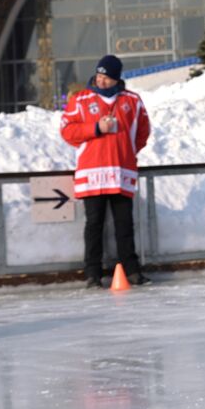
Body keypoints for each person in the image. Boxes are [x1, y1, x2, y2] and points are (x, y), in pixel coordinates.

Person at [60, 54, 152, 288]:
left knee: (124, 224)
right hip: (92, 174)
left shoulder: (132, 101)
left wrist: (128, 151)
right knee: (94, 224)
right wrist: (95, 128)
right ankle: (92, 272)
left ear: (116, 79)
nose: (101, 81)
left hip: (121, 173)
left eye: (106, 77)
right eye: (99, 76)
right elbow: (67, 131)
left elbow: (143, 132)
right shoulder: (81, 100)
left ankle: (131, 270)